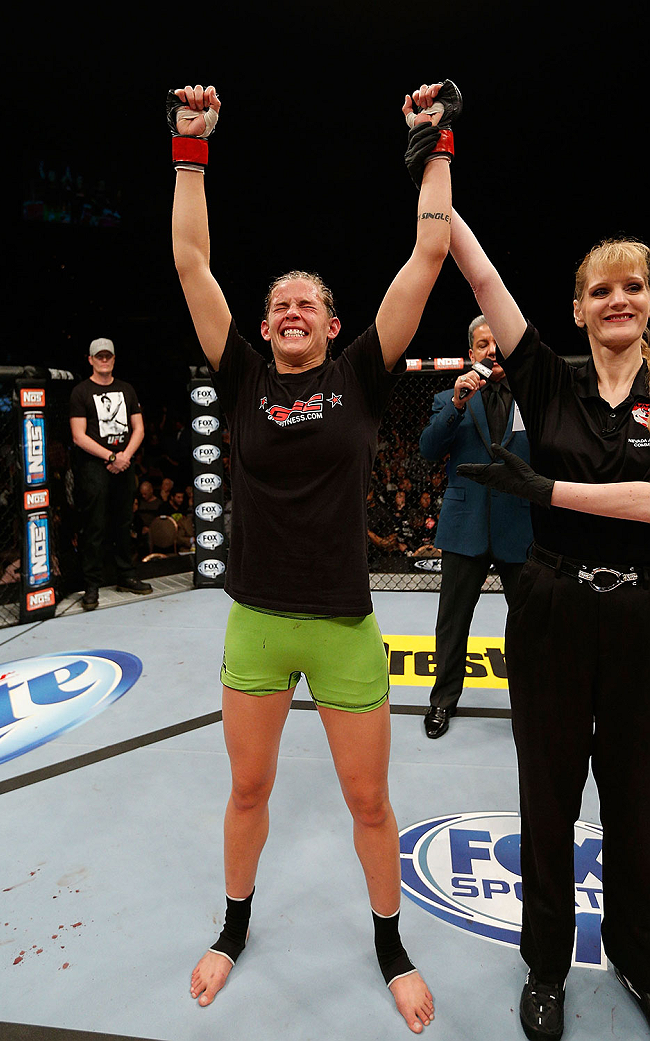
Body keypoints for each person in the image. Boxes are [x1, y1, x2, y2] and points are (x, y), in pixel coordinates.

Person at [170, 78, 460, 1032]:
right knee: (248, 787)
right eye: (280, 302)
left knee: (369, 803)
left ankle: (391, 946)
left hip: (342, 625)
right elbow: (190, 261)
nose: (293, 308)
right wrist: (190, 147)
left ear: (334, 326)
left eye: (310, 302)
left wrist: (436, 142)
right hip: (256, 622)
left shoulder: (360, 379)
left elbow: (427, 253)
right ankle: (233, 927)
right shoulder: (245, 375)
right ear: (264, 326)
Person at [446, 209, 650, 1039]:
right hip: (551, 604)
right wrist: (438, 166)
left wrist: (548, 493)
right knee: (547, 798)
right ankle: (545, 967)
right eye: (599, 289)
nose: (617, 299)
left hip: (643, 611)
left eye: (632, 285)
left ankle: (637, 952)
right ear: (576, 308)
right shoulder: (550, 381)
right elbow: (484, 280)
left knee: (638, 801)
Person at [418, 317, 532, 738]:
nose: (492, 350)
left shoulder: (532, 397)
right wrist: (458, 403)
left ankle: (531, 705)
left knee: (527, 626)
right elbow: (429, 450)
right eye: (483, 344)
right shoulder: (449, 398)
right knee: (452, 622)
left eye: (498, 342)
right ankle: (442, 703)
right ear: (471, 353)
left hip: (519, 527)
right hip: (465, 527)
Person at [69, 337, 153, 610]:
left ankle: (125, 575)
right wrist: (111, 456)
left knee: (123, 522)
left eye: (108, 356)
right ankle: (91, 585)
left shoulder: (126, 390)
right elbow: (79, 436)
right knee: (94, 525)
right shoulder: (81, 392)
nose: (104, 360)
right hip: (95, 466)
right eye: (99, 356)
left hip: (124, 462)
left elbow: (138, 428)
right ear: (90, 359)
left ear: (114, 359)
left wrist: (125, 456)